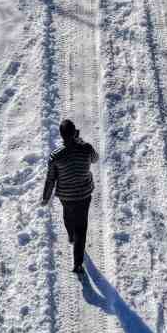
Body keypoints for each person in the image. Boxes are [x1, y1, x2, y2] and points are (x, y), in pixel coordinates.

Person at [41, 118, 98, 276]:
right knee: (82, 227)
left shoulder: (55, 156)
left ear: (61, 135)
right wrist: (80, 141)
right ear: (74, 133)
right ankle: (78, 263)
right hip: (84, 194)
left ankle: (71, 236)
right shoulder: (85, 148)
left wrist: (46, 197)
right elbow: (95, 158)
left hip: (66, 196)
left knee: (68, 216)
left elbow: (50, 179)